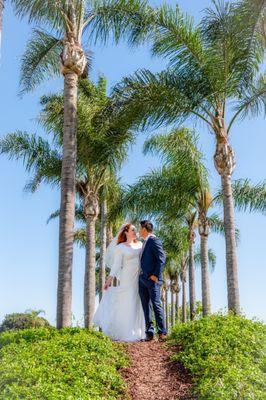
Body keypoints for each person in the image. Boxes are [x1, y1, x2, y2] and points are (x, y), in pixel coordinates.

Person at [93, 223, 146, 342]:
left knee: (138, 302)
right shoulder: (120, 247)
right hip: (127, 278)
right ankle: (127, 332)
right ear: (126, 232)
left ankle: (139, 332)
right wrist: (108, 281)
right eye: (132, 230)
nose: (135, 231)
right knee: (129, 301)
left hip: (140, 277)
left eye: (135, 230)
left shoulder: (141, 245)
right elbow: (116, 266)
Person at [139, 220, 167, 341]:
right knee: (146, 306)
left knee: (156, 304)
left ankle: (162, 332)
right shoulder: (144, 242)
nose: (139, 231)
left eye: (140, 228)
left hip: (152, 279)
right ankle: (149, 333)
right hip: (142, 279)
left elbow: (161, 258)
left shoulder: (154, 240)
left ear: (145, 229)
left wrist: (155, 275)